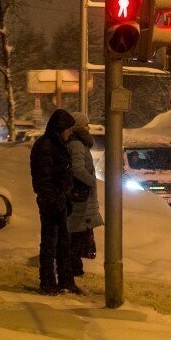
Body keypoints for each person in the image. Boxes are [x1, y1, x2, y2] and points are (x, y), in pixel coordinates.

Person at [29, 109, 81, 295]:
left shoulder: (58, 145)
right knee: (50, 243)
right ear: (60, 129)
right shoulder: (46, 146)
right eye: (68, 129)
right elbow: (44, 177)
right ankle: (47, 282)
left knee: (63, 243)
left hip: (59, 199)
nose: (70, 132)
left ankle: (66, 281)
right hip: (51, 201)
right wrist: (54, 198)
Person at [66, 112, 104, 277]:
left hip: (83, 197)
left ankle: (76, 266)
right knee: (77, 233)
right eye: (85, 125)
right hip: (81, 197)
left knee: (79, 232)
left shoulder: (79, 144)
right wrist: (92, 181)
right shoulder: (77, 145)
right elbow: (78, 169)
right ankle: (74, 267)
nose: (88, 128)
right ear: (79, 127)